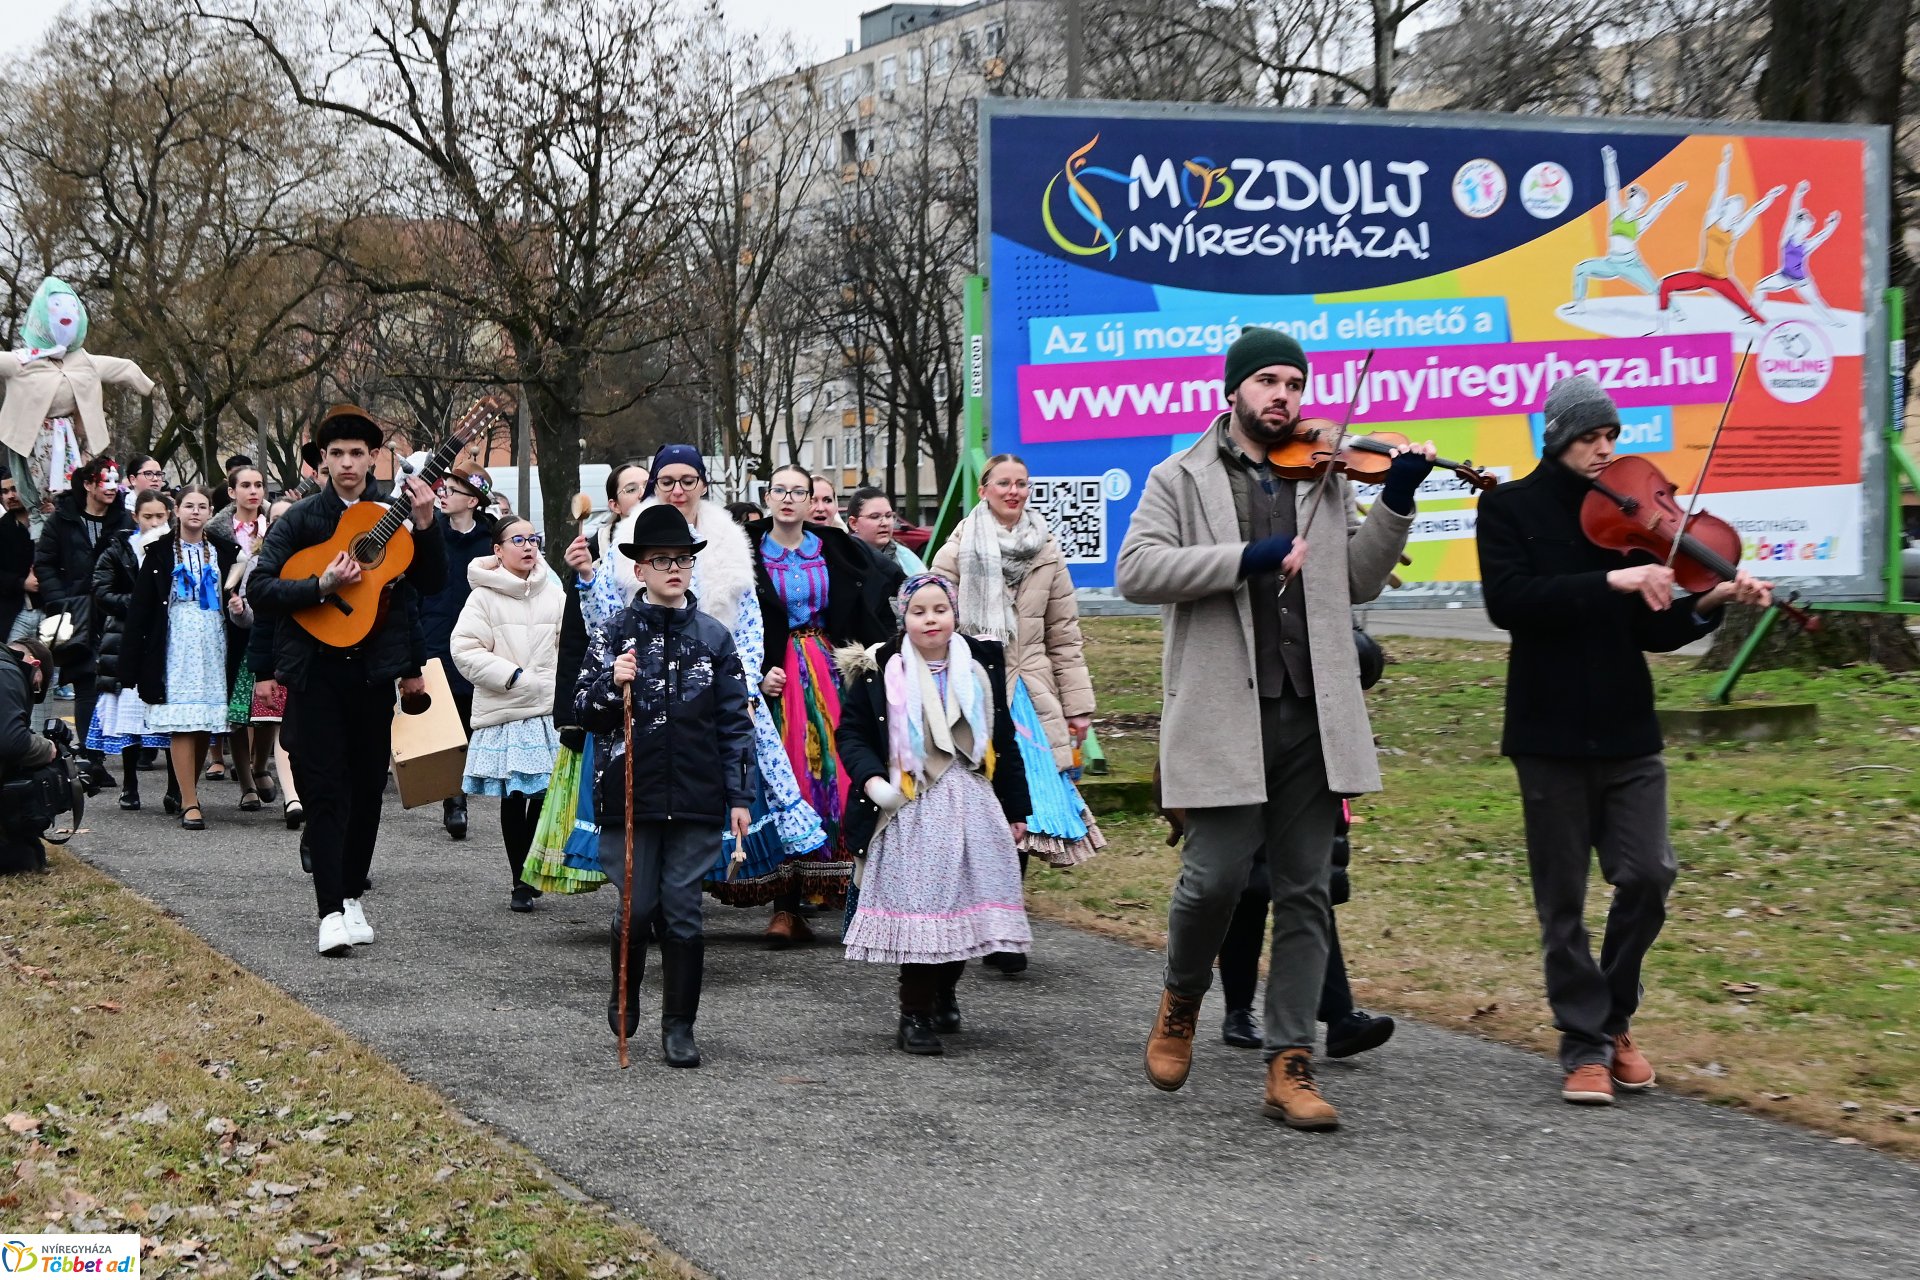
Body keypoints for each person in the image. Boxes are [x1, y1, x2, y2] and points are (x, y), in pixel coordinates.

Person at [1114, 327, 1430, 1131]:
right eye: (1268, 382)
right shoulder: (1177, 476)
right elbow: (1137, 572)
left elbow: (1358, 577)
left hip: (1314, 714)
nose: (1284, 395)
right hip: (1225, 713)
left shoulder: (1326, 475)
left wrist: (1395, 500)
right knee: (1212, 880)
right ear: (1235, 391)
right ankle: (1182, 998)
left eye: (1294, 381)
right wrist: (1245, 557)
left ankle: (1291, 1064)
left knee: (1307, 893)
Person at [1476, 374, 1772, 1107]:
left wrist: (1708, 601)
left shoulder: (1631, 518)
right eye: (1589, 436)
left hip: (1627, 729)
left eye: (1611, 436)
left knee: (1649, 875)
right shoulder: (1510, 507)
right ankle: (1584, 1045)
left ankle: (1612, 1018)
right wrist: (1610, 582)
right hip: (1547, 731)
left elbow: (1653, 628)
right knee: (1563, 902)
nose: (1605, 448)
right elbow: (1509, 604)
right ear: (1557, 438)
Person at [579, 445, 827, 907]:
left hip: (718, 685)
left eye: (687, 480)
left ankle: (725, 904)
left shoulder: (730, 539)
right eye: (667, 481)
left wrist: (746, 686)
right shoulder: (632, 537)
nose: (677, 489)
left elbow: (750, 625)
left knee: (748, 783)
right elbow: (607, 625)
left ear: (702, 484)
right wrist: (590, 584)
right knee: (652, 796)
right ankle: (649, 906)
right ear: (654, 485)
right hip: (650, 692)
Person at [247, 404, 443, 957]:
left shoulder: (394, 515)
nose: (348, 463)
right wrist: (320, 584)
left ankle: (353, 894)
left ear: (373, 457)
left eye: (357, 453)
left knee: (365, 793)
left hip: (371, 673)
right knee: (325, 791)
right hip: (314, 673)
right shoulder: (301, 520)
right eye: (337, 454)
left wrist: (426, 525)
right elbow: (262, 590)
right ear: (322, 461)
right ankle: (329, 909)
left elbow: (424, 589)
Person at [574, 504, 753, 1068]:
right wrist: (611, 682)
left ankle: (680, 1026)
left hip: (696, 797)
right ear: (640, 569)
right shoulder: (614, 633)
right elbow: (583, 708)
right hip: (630, 794)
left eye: (682, 559)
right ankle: (624, 993)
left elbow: (735, 723)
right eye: (661, 560)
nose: (674, 569)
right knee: (638, 905)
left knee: (683, 911)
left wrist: (741, 797)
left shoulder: (715, 639)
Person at [836, 574, 1033, 1056]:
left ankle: (946, 991)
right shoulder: (879, 667)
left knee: (965, 909)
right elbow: (853, 734)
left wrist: (1016, 809)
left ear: (954, 615)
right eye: (919, 610)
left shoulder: (979, 666)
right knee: (925, 913)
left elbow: (1001, 739)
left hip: (971, 801)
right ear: (903, 617)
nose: (930, 619)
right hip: (911, 804)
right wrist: (872, 783)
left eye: (939, 609)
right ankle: (915, 1013)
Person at [933, 454, 1103, 975]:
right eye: (1004, 483)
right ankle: (967, 915)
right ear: (983, 490)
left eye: (1022, 484)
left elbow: (1064, 636)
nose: (1014, 491)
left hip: (1029, 690)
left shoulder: (1047, 550)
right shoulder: (958, 548)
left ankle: (1005, 929)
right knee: (973, 805)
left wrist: (1077, 709)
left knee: (1021, 809)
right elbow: (932, 621)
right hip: (972, 688)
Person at [746, 464, 893, 944]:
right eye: (780, 490)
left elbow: (876, 590)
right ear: (767, 497)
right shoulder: (746, 550)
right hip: (776, 673)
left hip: (830, 668)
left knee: (840, 775)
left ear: (813, 501)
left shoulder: (834, 548)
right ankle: (785, 906)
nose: (788, 499)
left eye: (799, 492)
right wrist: (753, 670)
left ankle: (848, 897)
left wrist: (880, 655)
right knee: (784, 778)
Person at [451, 515, 564, 913]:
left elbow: (567, 645)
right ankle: (520, 879)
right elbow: (464, 649)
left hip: (548, 709)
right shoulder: (482, 596)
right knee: (515, 795)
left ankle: (533, 869)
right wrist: (512, 676)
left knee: (547, 794)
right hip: (507, 708)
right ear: (497, 551)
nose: (529, 546)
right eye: (518, 539)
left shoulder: (554, 591)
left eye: (534, 538)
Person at [124, 485, 242, 831]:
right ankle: (190, 801)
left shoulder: (222, 550)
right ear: (178, 510)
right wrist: (131, 662)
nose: (195, 512)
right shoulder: (160, 552)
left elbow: (234, 592)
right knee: (182, 721)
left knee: (204, 720)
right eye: (189, 506)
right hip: (176, 639)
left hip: (212, 637)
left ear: (209, 512)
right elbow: (142, 608)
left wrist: (236, 604)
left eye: (202, 506)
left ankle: (188, 790)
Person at [34, 456, 132, 782]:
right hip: (76, 613)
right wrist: (59, 599)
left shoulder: (124, 520)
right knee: (85, 683)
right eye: (105, 480)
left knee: (114, 684)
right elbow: (45, 563)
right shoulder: (62, 519)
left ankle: (129, 757)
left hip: (115, 611)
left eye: (115, 480)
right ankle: (93, 760)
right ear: (88, 483)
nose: (111, 487)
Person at [420, 466, 499, 840]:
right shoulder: (430, 532)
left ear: (473, 500)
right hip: (434, 635)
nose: (443, 494)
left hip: (477, 641)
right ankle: (455, 799)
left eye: (452, 489)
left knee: (469, 720)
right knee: (447, 722)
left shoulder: (490, 541)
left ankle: (464, 786)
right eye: (443, 488)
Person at [88, 489, 175, 811]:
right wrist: (138, 605)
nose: (154, 522)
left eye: (160, 516)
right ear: (136, 517)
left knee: (168, 714)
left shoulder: (175, 549)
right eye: (148, 516)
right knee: (130, 712)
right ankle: (129, 784)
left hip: (165, 637)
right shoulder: (118, 550)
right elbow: (101, 589)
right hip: (126, 636)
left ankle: (175, 786)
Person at [1656, 144, 1785, 329]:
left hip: (1722, 280)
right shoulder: (1711, 219)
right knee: (1665, 285)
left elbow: (1754, 211)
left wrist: (1770, 197)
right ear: (1725, 206)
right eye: (1735, 204)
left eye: (1740, 208)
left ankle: (1780, 335)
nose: (1738, 209)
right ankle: (1663, 326)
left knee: (1747, 308)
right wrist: (1726, 163)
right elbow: (1721, 188)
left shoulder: (1734, 230)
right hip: (1702, 275)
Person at [208, 463, 273, 805]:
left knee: (270, 702)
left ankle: (261, 765)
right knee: (238, 705)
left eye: (259, 485)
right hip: (231, 627)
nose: (254, 491)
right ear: (232, 492)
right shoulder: (217, 532)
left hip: (270, 620)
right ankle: (245, 781)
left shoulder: (276, 524)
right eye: (246, 485)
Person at [1563, 146, 1685, 313]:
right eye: (1635, 197)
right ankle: (1579, 304)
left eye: (1641, 201)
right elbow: (1612, 186)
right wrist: (1609, 161)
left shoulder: (1640, 222)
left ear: (1643, 205)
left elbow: (1658, 207)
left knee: (1654, 288)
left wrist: (1672, 193)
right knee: (1581, 269)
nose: (1638, 202)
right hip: (1612, 263)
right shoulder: (1616, 212)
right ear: (1629, 199)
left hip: (1631, 264)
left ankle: (1677, 311)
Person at [245, 496, 301, 831]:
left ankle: (305, 792)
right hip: (280, 658)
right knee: (283, 727)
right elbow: (260, 618)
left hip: (312, 658)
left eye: (288, 519)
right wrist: (262, 671)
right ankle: (292, 797)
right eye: (275, 519)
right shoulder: (263, 563)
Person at [0, 635, 58, 874]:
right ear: (34, 664)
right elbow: (13, 743)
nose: (35, 693)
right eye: (37, 686)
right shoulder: (8, 673)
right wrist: (47, 748)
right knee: (23, 859)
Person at [1753, 181, 1844, 326]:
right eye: (1805, 224)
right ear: (1798, 225)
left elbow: (1822, 236)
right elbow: (1792, 213)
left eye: (1809, 226)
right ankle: (1753, 312)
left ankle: (1834, 320)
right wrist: (1799, 194)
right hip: (1783, 277)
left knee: (1815, 301)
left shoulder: (1805, 245)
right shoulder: (1787, 237)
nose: (1807, 228)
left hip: (1801, 281)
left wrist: (1832, 224)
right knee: (1760, 286)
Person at [847, 487, 925, 578]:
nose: (885, 523)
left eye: (889, 516)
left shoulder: (905, 557)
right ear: (853, 523)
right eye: (875, 516)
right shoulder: (840, 558)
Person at [0, 469, 37, 642]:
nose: (10, 496)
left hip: (48, 610)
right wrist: (21, 583)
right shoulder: (2, 528)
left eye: (14, 489)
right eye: (5, 491)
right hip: (14, 614)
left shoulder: (46, 522)